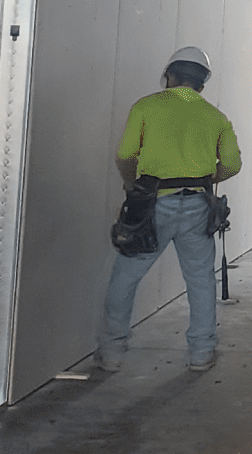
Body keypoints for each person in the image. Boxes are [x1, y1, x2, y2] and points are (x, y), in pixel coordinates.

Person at [97, 45, 242, 373]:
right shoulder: (216, 118)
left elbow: (125, 155)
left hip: (152, 206)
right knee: (201, 280)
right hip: (198, 207)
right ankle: (202, 354)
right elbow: (232, 164)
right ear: (202, 85)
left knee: (126, 276)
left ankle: (112, 353)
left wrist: (132, 184)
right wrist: (206, 177)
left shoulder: (146, 107)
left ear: (169, 76)